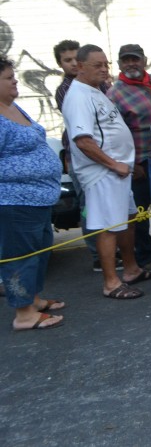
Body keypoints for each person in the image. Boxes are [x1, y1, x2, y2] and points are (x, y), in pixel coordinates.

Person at [62, 45, 151, 299]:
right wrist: (114, 164)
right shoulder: (79, 96)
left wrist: (127, 164)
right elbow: (83, 140)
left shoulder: (97, 91)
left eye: (106, 64)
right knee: (108, 227)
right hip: (102, 172)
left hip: (119, 171)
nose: (104, 69)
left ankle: (131, 269)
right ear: (80, 67)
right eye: (97, 65)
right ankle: (111, 283)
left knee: (126, 222)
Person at [0, 55, 66, 330]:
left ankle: (35, 299)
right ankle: (24, 314)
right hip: (14, 201)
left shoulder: (12, 107)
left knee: (39, 251)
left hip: (38, 198)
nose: (15, 80)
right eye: (7, 78)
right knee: (21, 256)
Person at [53, 38, 107, 270]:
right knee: (90, 207)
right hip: (85, 158)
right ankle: (98, 256)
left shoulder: (99, 85)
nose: (73, 64)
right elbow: (83, 131)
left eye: (76, 58)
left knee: (107, 208)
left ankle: (112, 252)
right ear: (60, 64)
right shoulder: (68, 90)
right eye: (67, 60)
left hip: (105, 157)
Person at [106, 43, 151, 268]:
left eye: (135, 59)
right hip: (139, 160)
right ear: (119, 64)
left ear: (144, 60)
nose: (131, 64)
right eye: (126, 60)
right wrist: (131, 163)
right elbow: (115, 134)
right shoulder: (114, 94)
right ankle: (145, 255)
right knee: (141, 211)